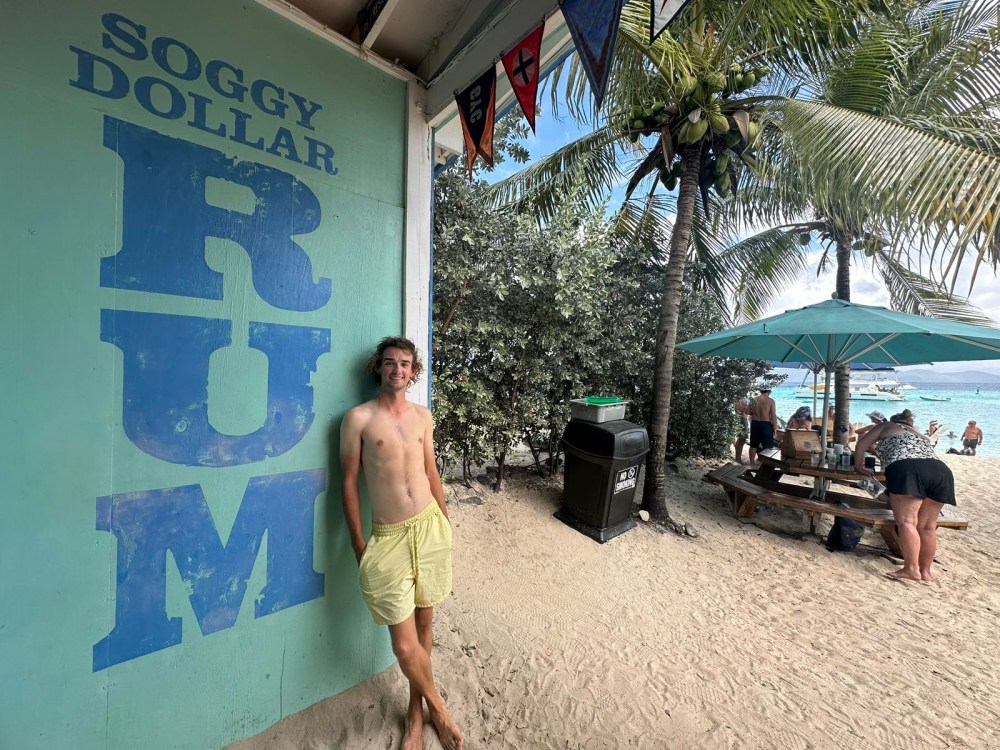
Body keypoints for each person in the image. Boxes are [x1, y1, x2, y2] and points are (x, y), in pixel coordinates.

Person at [340, 336, 464, 750]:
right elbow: (348, 483)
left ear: (414, 372)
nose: (397, 369)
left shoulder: (422, 417)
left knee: (427, 625)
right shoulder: (358, 419)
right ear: (378, 368)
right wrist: (360, 545)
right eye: (390, 362)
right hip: (388, 538)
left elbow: (431, 470)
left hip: (429, 527)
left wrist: (445, 524)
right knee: (404, 643)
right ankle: (439, 710)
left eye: (405, 363)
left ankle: (415, 713)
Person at [855, 413, 956, 582]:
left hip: (908, 469)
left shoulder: (885, 426)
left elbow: (862, 444)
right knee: (927, 527)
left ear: (894, 421)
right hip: (941, 471)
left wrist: (859, 466)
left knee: (907, 522)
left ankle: (911, 569)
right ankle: (926, 572)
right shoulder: (919, 434)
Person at [748, 387, 778, 464]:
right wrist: (775, 427)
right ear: (769, 391)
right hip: (766, 424)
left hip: (755, 423)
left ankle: (751, 462)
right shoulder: (771, 401)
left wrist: (754, 413)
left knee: (753, 444)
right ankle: (765, 463)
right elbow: (773, 415)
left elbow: (747, 411)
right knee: (767, 445)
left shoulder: (753, 399)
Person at [733, 397, 751, 464]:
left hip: (741, 419)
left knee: (740, 440)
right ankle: (738, 458)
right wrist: (748, 408)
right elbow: (740, 410)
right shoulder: (740, 400)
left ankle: (737, 458)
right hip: (743, 419)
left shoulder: (738, 399)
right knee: (742, 440)